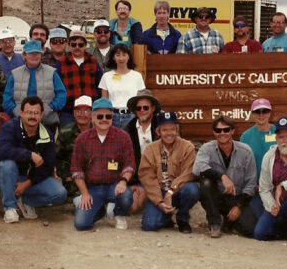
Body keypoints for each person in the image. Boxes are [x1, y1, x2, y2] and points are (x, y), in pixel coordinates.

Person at [0, 95, 68, 223]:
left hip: (31, 180)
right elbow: (1, 152)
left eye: (36, 113)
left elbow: (48, 165)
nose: (32, 116)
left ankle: (25, 201)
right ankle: (10, 208)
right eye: (28, 112)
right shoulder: (9, 127)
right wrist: (29, 155)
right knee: (6, 164)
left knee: (60, 194)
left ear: (41, 115)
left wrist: (27, 184)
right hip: (7, 177)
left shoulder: (47, 135)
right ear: (21, 113)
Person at [70, 97, 137, 230]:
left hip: (115, 186)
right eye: (100, 116)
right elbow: (76, 170)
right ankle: (99, 210)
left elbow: (130, 165)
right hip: (93, 188)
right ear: (93, 118)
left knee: (126, 196)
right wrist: (84, 193)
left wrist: (123, 182)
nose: (104, 119)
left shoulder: (123, 137)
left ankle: (119, 214)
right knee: (81, 225)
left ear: (112, 117)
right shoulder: (82, 139)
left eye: (108, 116)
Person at [193, 116, 258, 238]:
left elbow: (251, 183)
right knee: (205, 182)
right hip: (216, 196)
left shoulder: (246, 151)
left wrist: (238, 207)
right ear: (214, 132)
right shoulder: (207, 148)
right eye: (218, 130)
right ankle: (214, 223)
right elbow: (197, 169)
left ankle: (229, 222)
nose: (222, 133)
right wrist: (222, 176)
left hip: (236, 197)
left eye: (226, 130)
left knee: (251, 230)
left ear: (233, 131)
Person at [138, 111, 199, 233]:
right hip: (159, 191)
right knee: (149, 225)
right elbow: (147, 177)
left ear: (177, 130)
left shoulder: (187, 147)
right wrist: (159, 201)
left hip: (178, 190)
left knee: (192, 190)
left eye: (172, 129)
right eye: (164, 130)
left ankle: (182, 219)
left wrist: (171, 191)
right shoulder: (150, 149)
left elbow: (189, 172)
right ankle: (166, 216)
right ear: (158, 132)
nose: (169, 133)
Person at [2, 40, 66, 129]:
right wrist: (18, 112)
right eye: (31, 53)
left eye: (37, 53)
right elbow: (7, 98)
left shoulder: (51, 72)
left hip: (47, 122)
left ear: (41, 55)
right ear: (24, 55)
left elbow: (62, 94)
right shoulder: (15, 74)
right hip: (20, 123)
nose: (34, 56)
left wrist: (49, 109)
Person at [58, 29, 102, 126]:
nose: (77, 47)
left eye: (80, 45)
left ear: (85, 45)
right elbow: (56, 87)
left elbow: (101, 84)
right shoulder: (61, 63)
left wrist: (95, 100)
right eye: (74, 44)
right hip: (68, 112)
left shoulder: (93, 61)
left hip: (89, 110)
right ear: (69, 45)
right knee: (67, 139)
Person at [56, 96, 97, 198]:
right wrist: (67, 175)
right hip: (73, 180)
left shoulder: (99, 132)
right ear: (74, 113)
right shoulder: (65, 132)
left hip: (96, 179)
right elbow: (57, 158)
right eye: (78, 111)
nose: (82, 114)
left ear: (92, 114)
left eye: (86, 111)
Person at [98, 43, 146, 129]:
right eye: (118, 55)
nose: (121, 58)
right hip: (112, 117)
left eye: (124, 55)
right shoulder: (106, 76)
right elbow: (104, 101)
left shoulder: (137, 76)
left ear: (128, 56)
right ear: (113, 57)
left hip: (132, 116)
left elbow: (142, 99)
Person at [239, 98, 276, 174]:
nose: (261, 115)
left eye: (265, 111)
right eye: (257, 112)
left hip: (277, 182)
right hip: (254, 183)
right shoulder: (245, 136)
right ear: (252, 114)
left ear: (269, 113)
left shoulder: (279, 132)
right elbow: (242, 163)